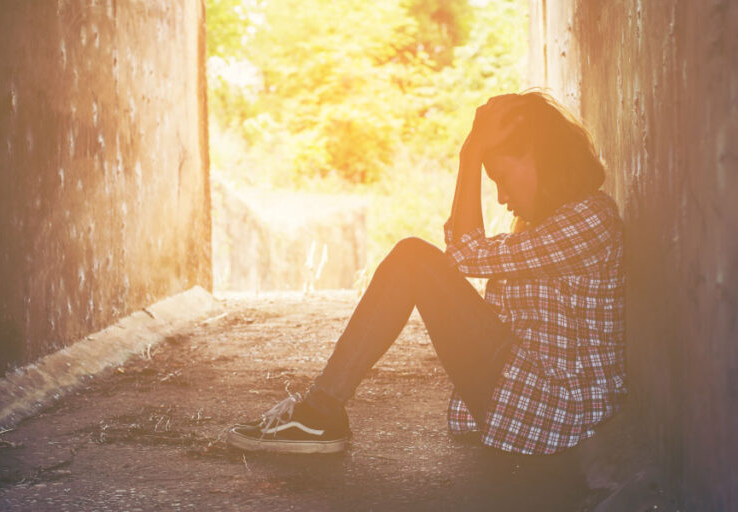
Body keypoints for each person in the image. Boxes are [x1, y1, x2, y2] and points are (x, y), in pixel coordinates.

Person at [226, 91, 626, 455]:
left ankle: (320, 410)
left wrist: (470, 156)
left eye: (502, 179)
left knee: (413, 260)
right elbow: (464, 250)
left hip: (560, 407)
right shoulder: (549, 225)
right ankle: (319, 410)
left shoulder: (591, 218)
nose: (502, 198)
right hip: (531, 396)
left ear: (541, 156)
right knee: (414, 260)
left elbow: (464, 255)